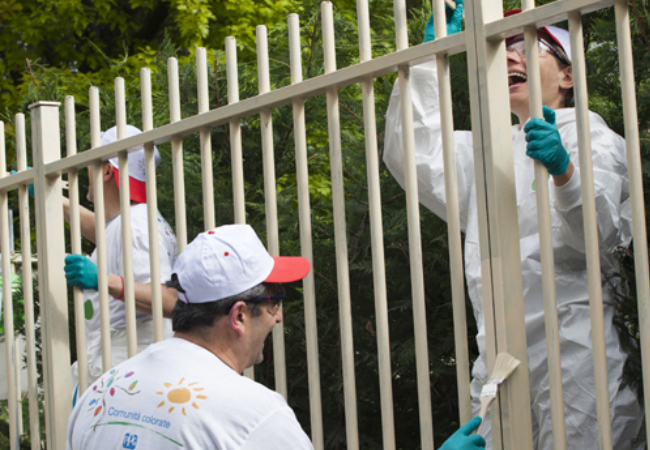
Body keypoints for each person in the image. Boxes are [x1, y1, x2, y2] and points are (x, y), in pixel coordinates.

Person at [383, 3, 642, 449]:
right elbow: (413, 152)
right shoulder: (488, 149)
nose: (509, 57)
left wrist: (566, 174)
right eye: (502, 47)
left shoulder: (590, 134)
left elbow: (601, 237)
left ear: (568, 75)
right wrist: (428, 59)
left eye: (527, 46)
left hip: (578, 355)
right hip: (500, 357)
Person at [66, 224, 487, 450]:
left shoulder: (103, 389)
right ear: (238, 315)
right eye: (275, 300)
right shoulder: (251, 414)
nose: (280, 316)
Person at [63, 125, 178, 394]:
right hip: (122, 359)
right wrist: (52, 198)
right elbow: (103, 231)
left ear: (106, 171)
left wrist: (105, 281)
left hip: (127, 364)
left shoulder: (136, 225)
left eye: (93, 164)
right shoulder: (129, 219)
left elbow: (170, 300)